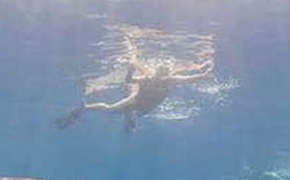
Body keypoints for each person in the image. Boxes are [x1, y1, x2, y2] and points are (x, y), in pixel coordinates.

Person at [56, 46, 215, 132]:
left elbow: (191, 78)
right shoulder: (147, 78)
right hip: (135, 102)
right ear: (156, 72)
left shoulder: (171, 79)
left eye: (164, 73)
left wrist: (205, 72)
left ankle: (127, 115)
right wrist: (131, 69)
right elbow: (129, 79)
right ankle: (86, 107)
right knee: (110, 109)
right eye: (160, 73)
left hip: (145, 105)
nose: (161, 76)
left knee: (128, 112)